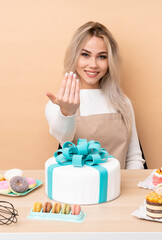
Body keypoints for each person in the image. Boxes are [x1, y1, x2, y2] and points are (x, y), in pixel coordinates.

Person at [45, 21, 145, 169]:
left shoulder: (123, 102)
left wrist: (131, 190)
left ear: (110, 61)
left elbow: (134, 158)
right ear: (74, 57)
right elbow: (63, 138)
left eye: (102, 57)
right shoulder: (59, 103)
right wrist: (67, 113)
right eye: (85, 55)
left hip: (118, 189)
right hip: (77, 189)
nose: (93, 64)